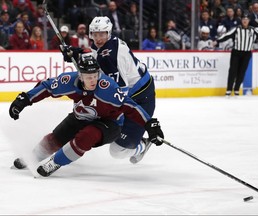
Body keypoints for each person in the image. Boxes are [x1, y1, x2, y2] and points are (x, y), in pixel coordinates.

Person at [9, 54, 164, 177]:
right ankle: (34, 156)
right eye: (88, 76)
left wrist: (150, 124)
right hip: (81, 116)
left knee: (86, 136)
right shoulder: (68, 81)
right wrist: (25, 99)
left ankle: (56, 162)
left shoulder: (107, 88)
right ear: (80, 75)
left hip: (110, 123)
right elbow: (47, 87)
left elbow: (131, 107)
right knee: (55, 139)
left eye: (95, 75)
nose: (93, 80)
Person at [60, 16, 158, 164]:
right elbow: (94, 54)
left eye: (102, 34)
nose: (98, 39)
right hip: (131, 95)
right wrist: (76, 53)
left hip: (140, 100)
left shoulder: (110, 56)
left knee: (117, 151)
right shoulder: (105, 45)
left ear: (109, 33)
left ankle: (142, 145)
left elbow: (120, 91)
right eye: (95, 34)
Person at [214, 13, 258, 96]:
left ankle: (237, 89)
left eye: (246, 19)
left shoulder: (253, 30)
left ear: (249, 21)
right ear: (241, 20)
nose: (245, 20)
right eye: (243, 19)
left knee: (242, 72)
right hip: (236, 53)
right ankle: (229, 89)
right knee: (232, 71)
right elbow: (227, 35)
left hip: (247, 54)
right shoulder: (236, 29)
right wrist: (217, 41)